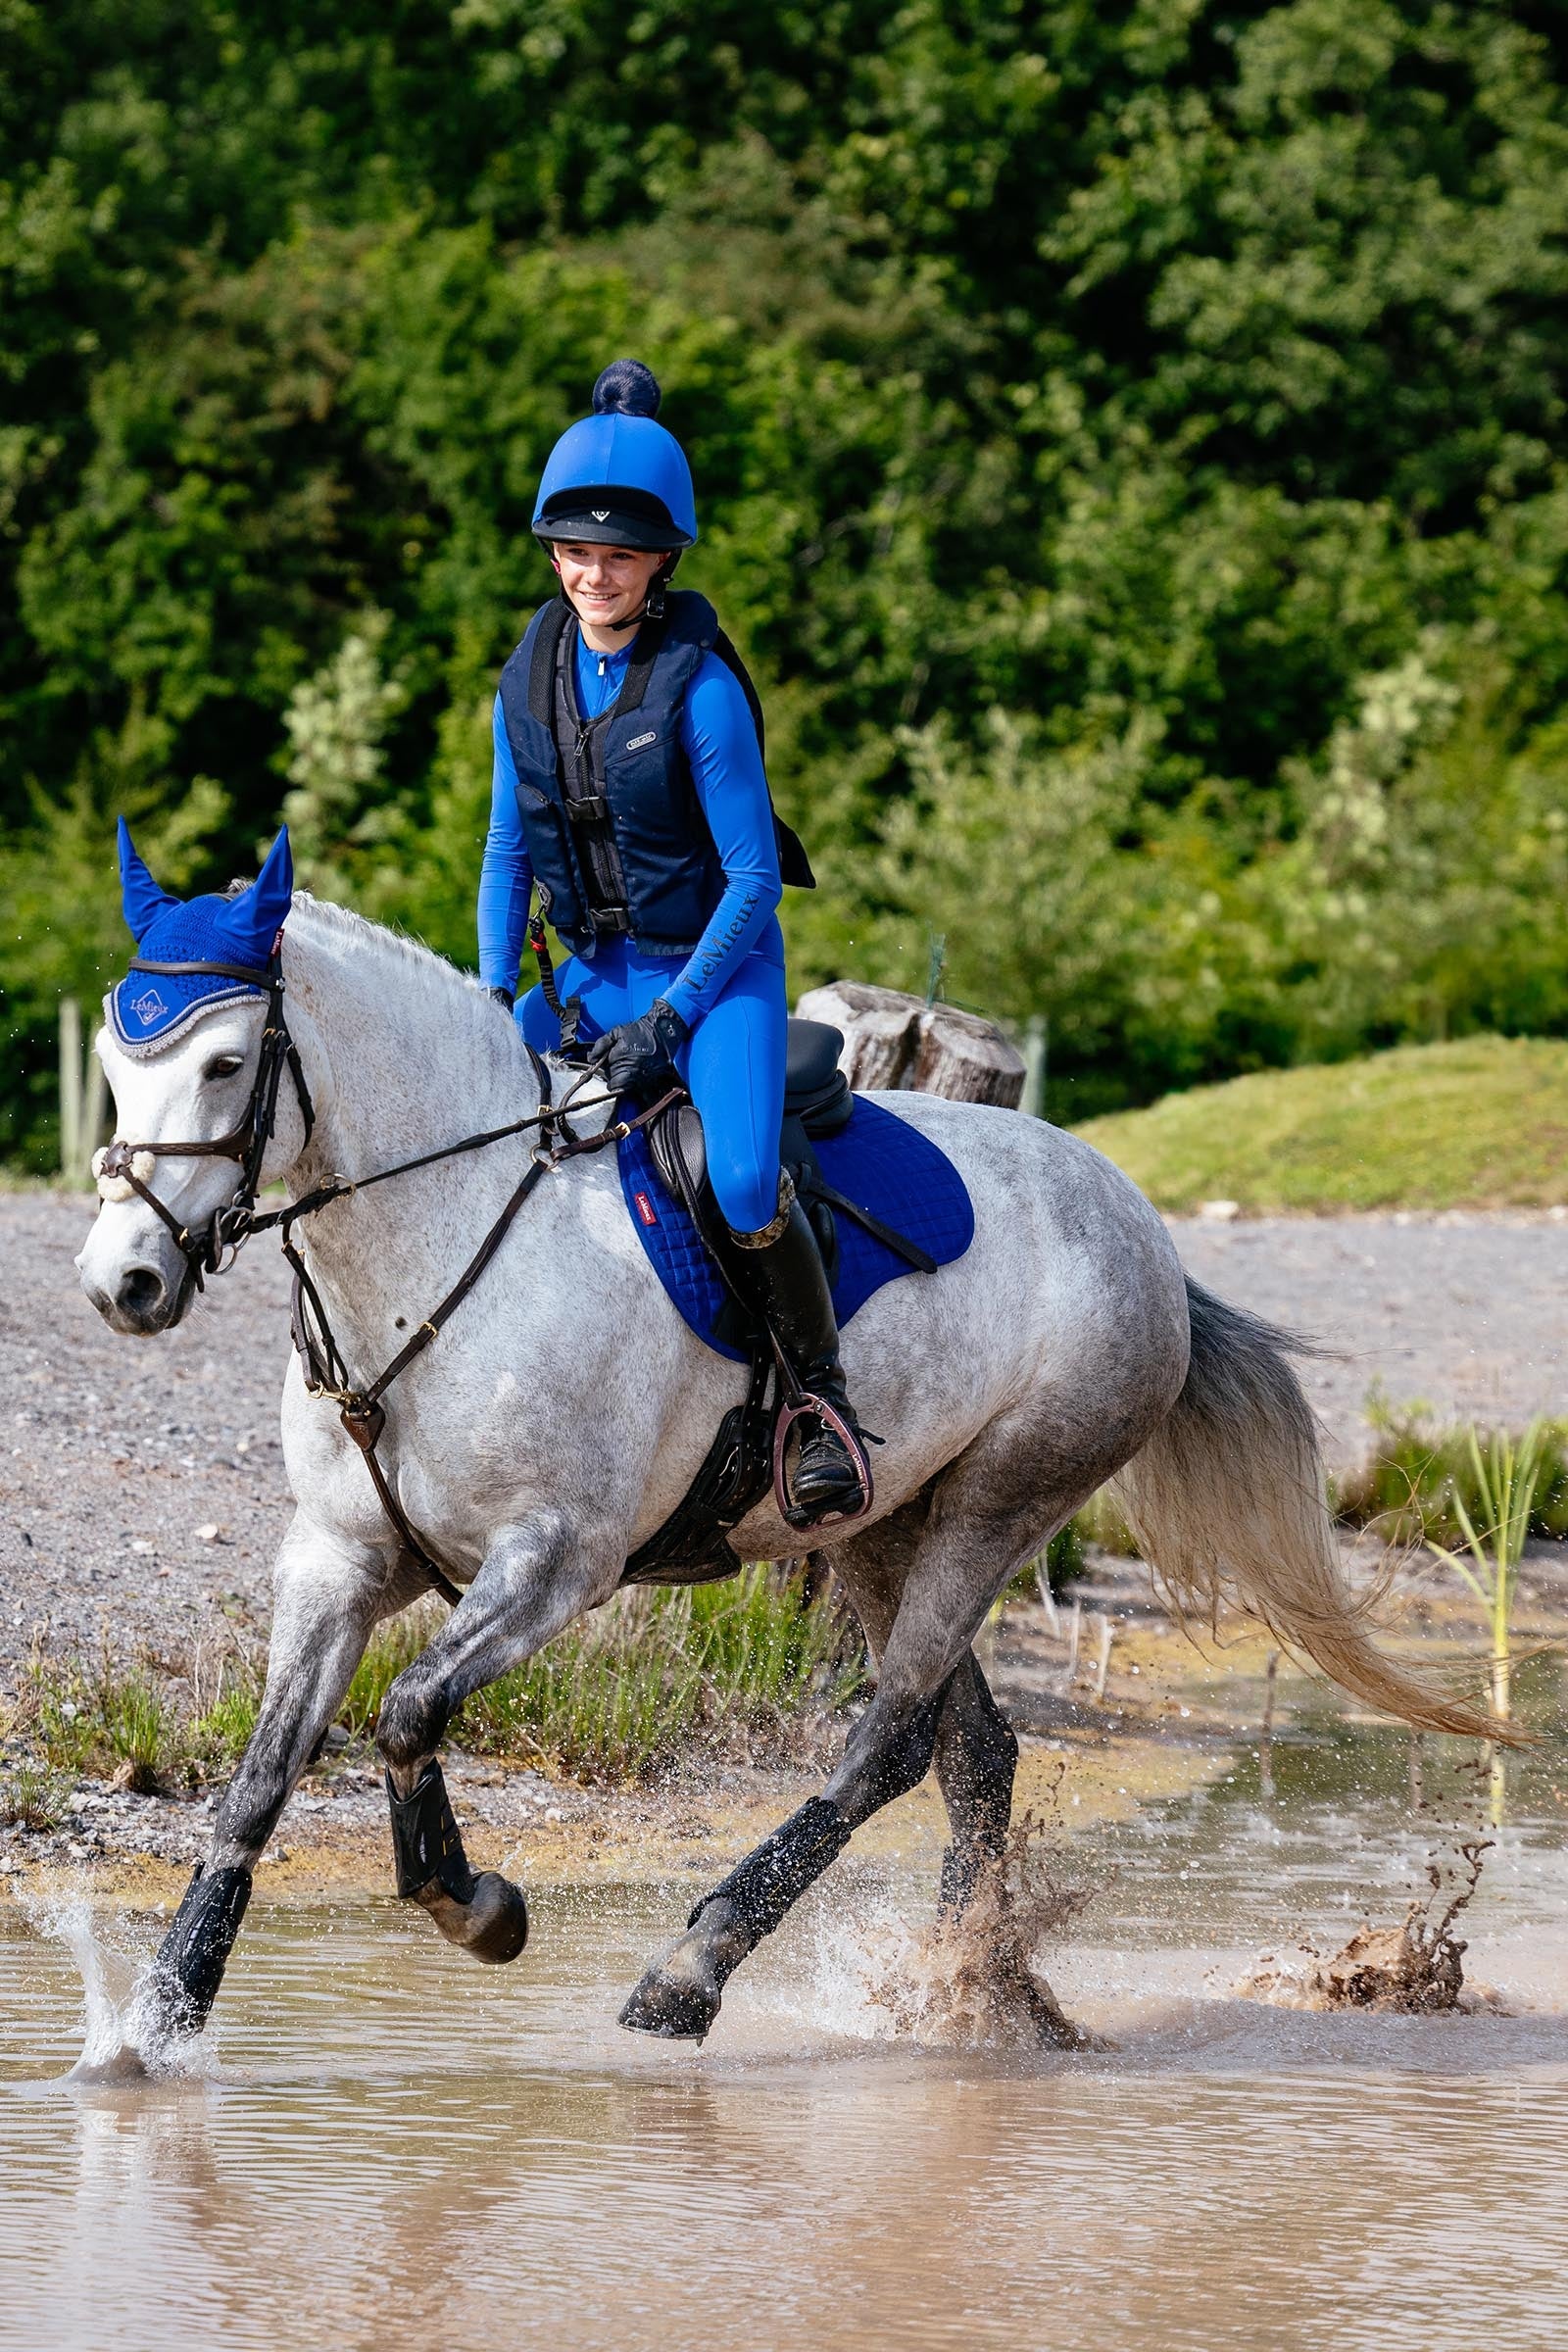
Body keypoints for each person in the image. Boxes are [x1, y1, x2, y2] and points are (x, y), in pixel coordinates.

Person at [478, 359, 868, 1522]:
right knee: (472, 1122)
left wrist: (673, 1017)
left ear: (662, 562)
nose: (593, 574)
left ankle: (820, 1401)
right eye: (574, 551)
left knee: (741, 1177)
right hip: (588, 976)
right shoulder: (524, 684)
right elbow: (505, 856)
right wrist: (489, 998)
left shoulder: (701, 691)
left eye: (621, 555)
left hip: (715, 973)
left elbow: (753, 881)